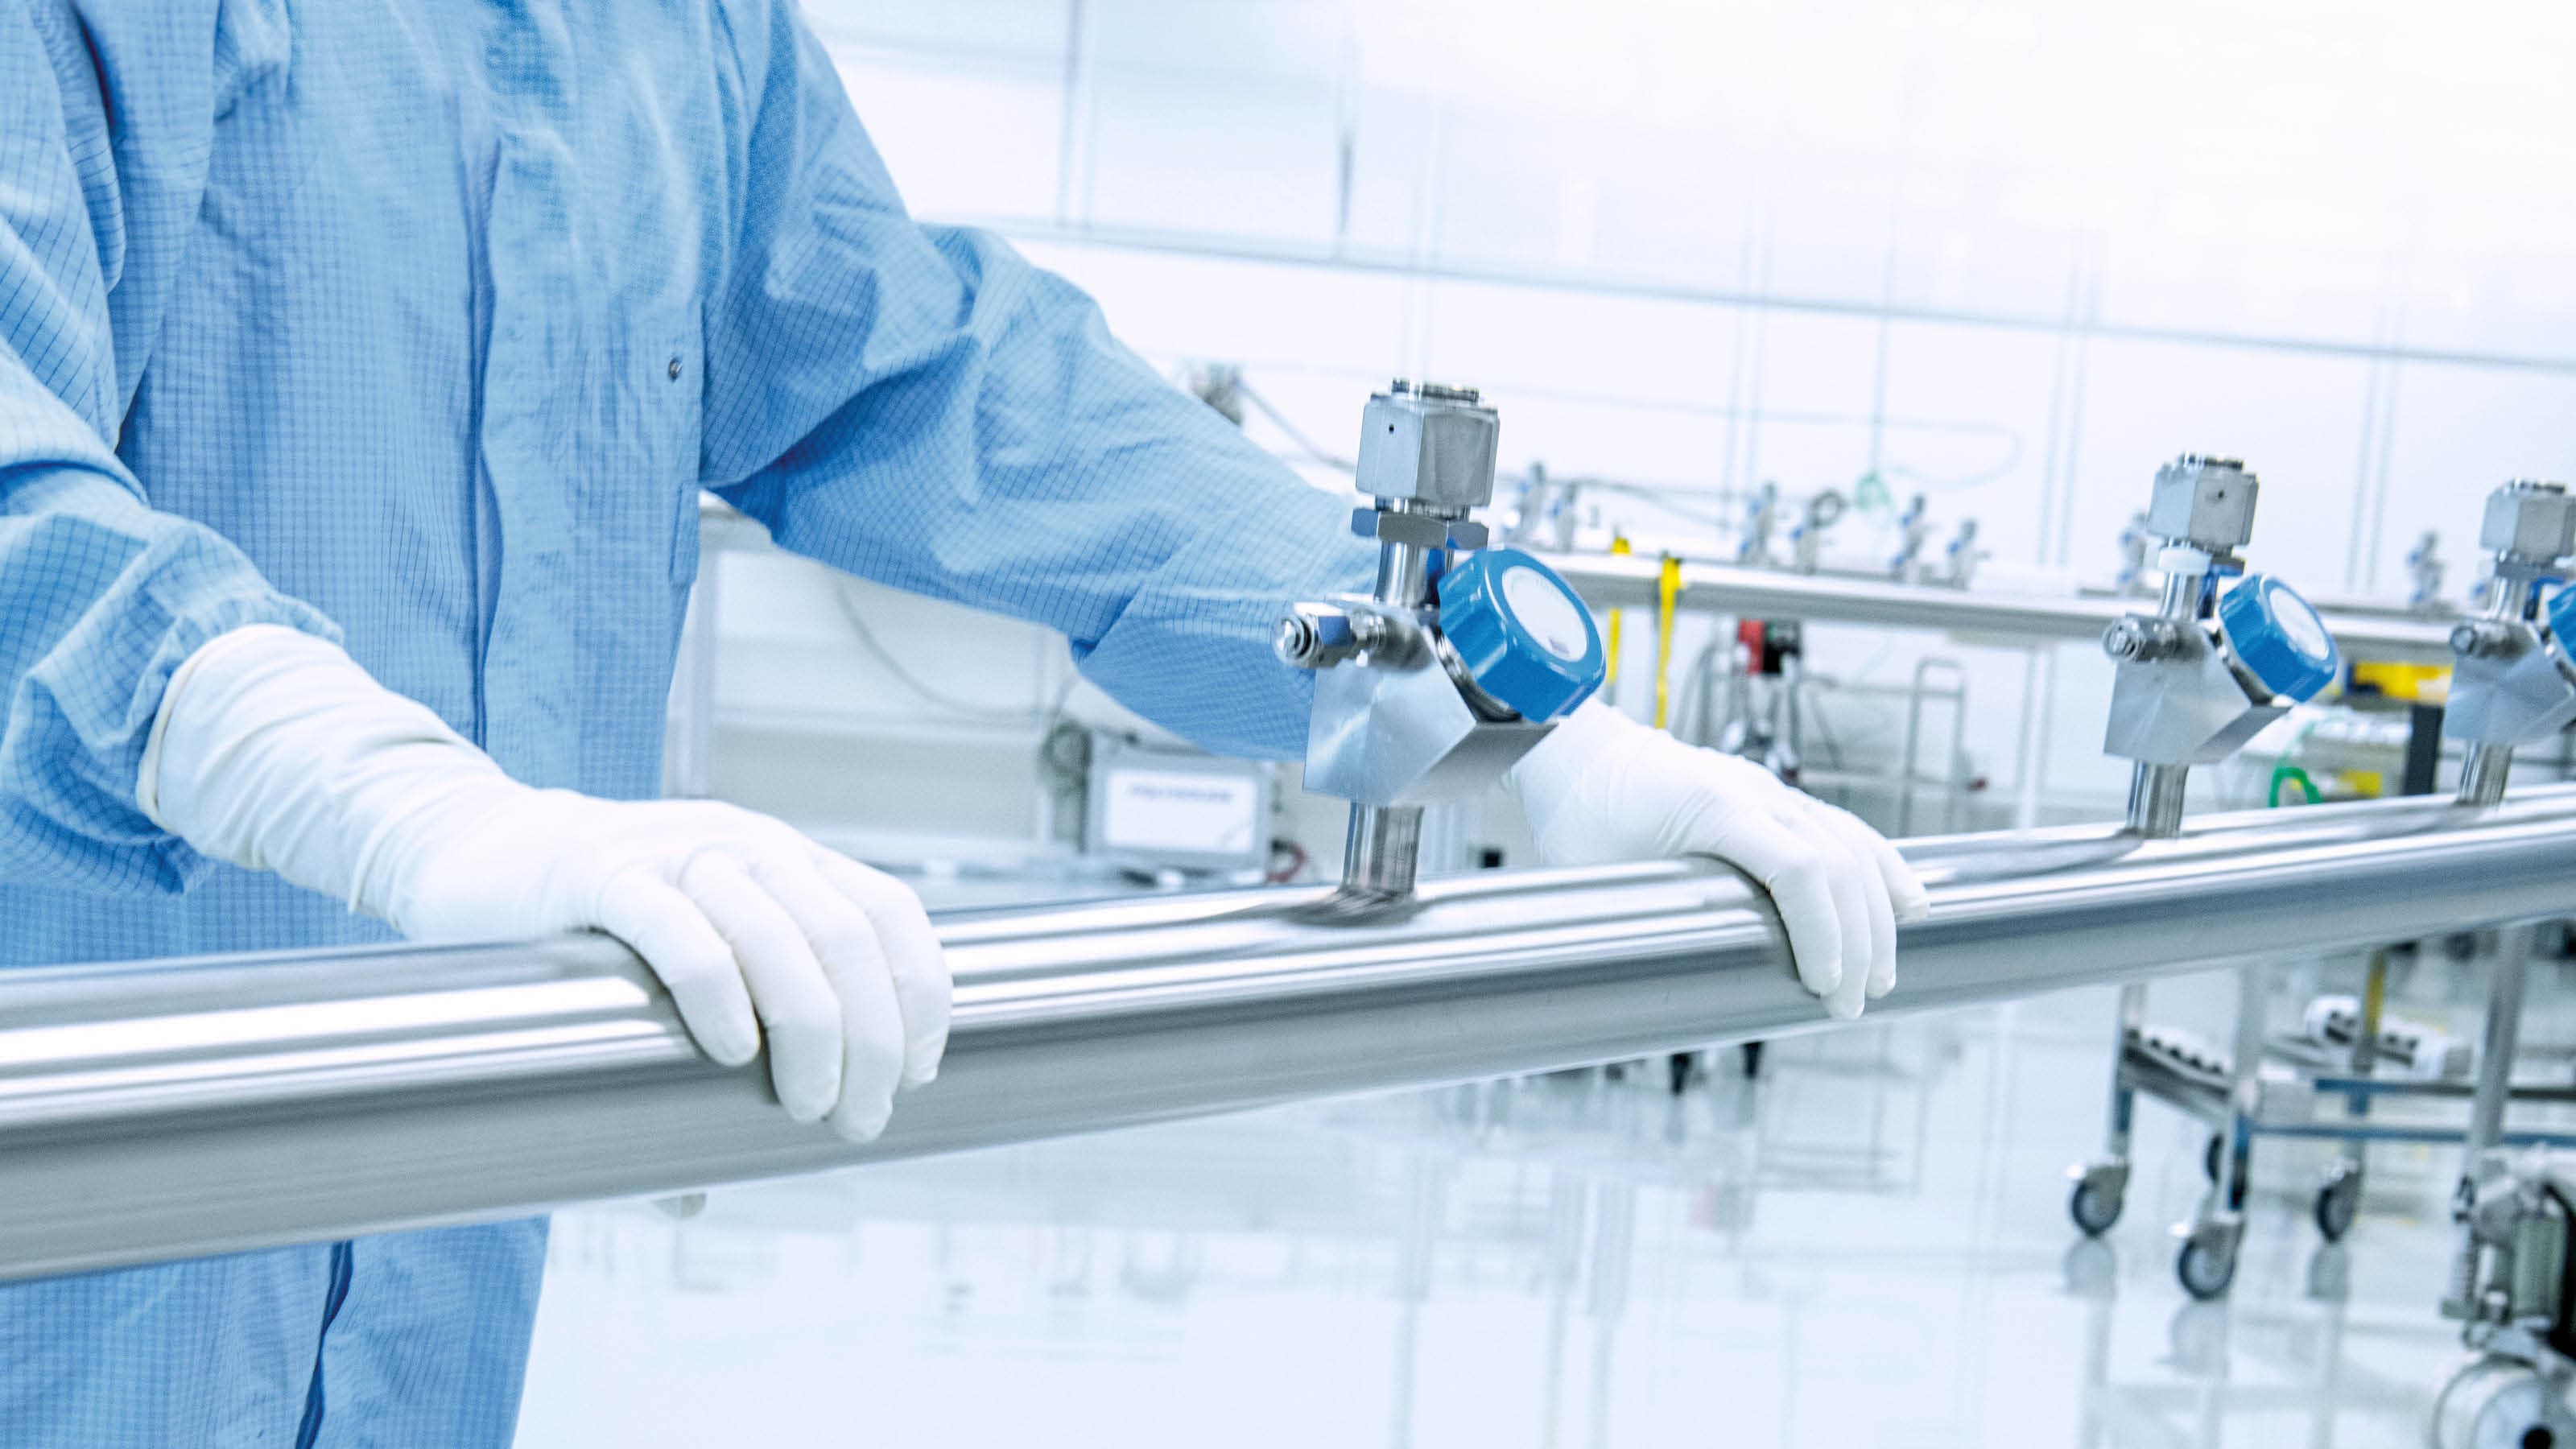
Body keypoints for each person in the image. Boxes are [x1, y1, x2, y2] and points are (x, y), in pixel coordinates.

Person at [0, 2, 1928, 1443]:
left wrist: (1509, 731)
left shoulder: (677, 41)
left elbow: (943, 385)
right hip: (82, 1206)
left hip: (435, 1264)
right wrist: (382, 799)